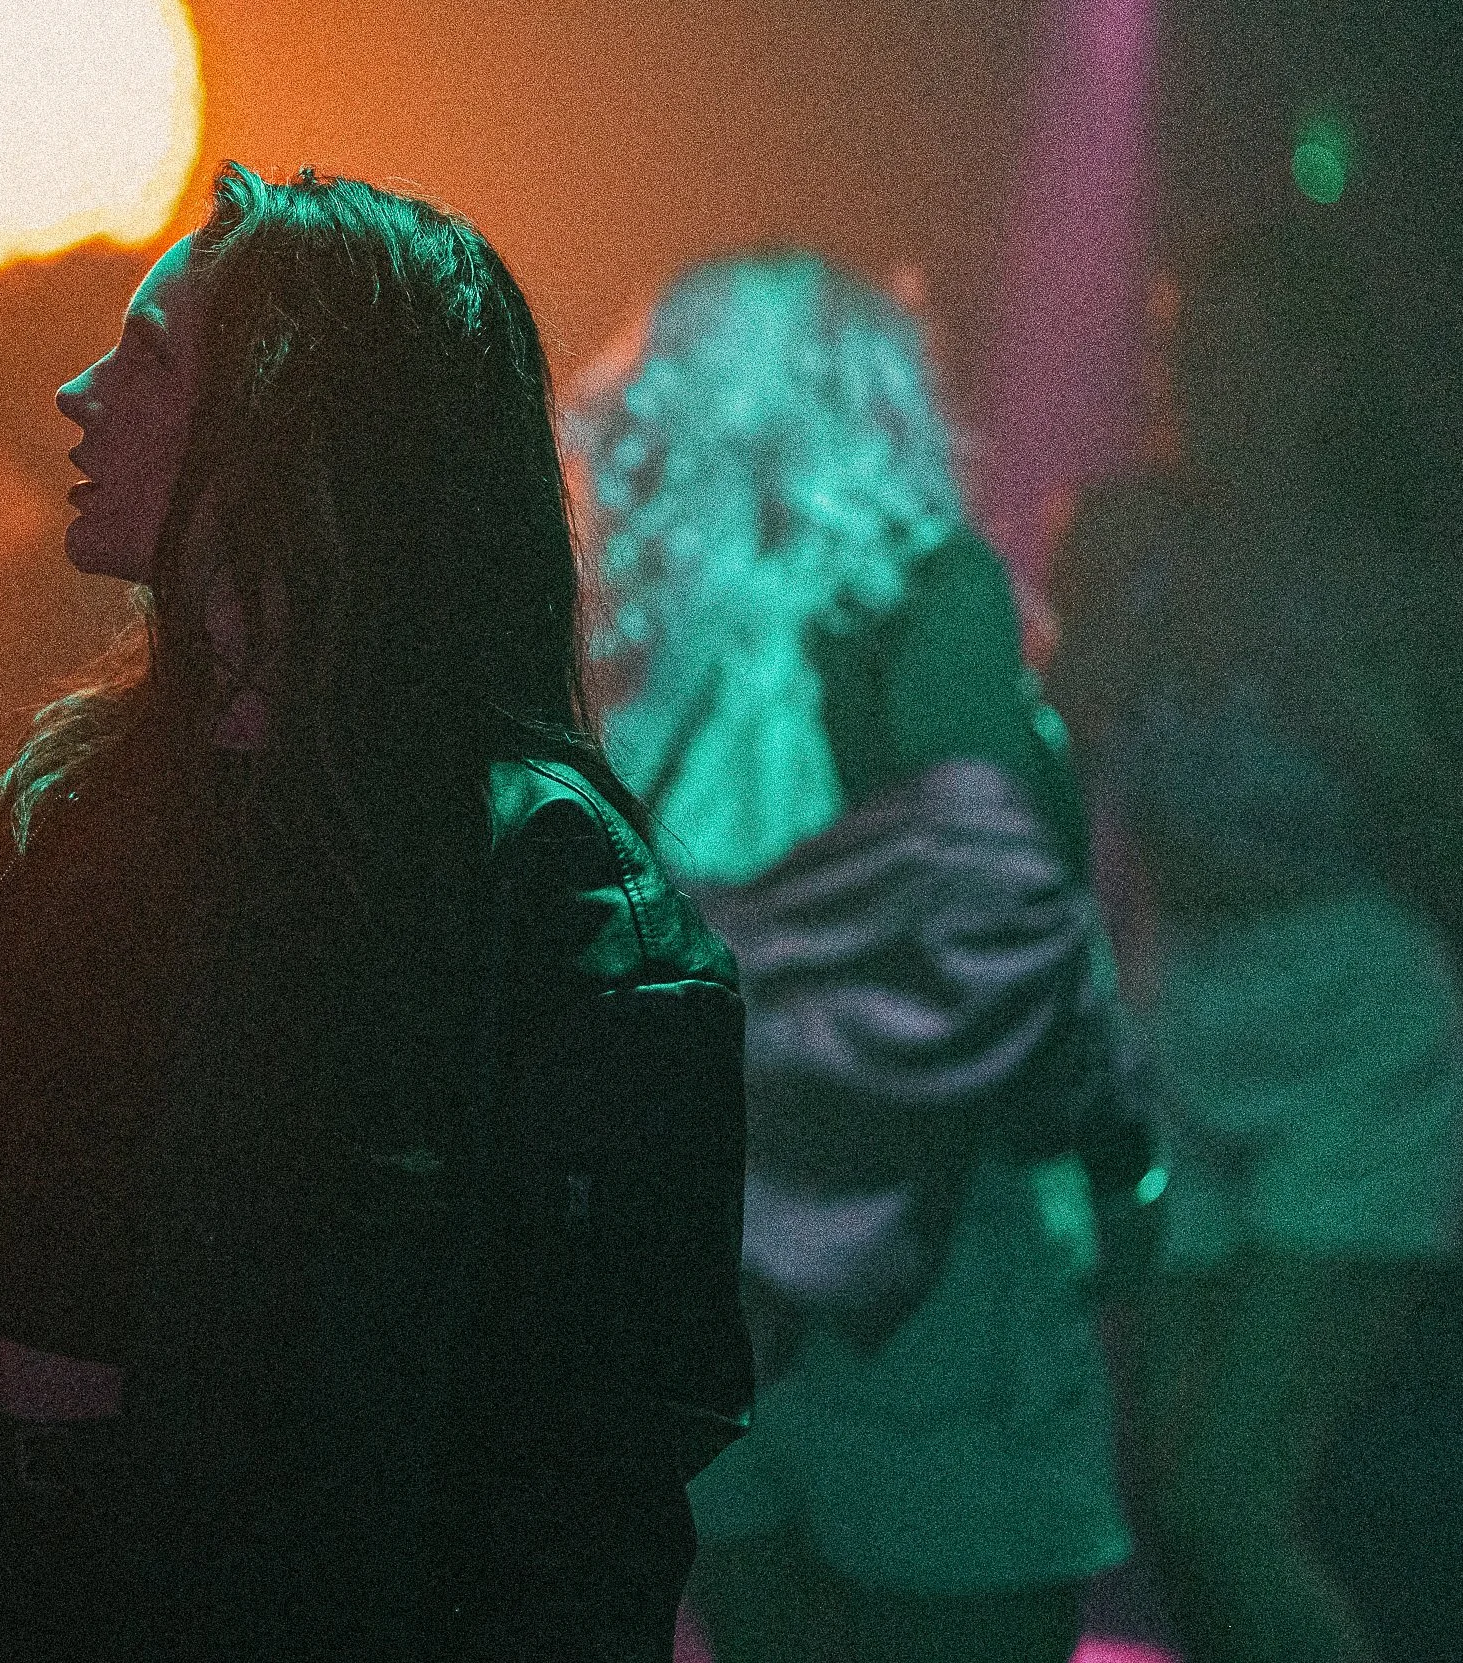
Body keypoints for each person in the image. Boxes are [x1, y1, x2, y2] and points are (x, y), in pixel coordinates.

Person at [0, 164, 755, 1663]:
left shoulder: (541, 883)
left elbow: (594, 1457)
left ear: (296, 424)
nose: (74, 396)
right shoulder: (81, 802)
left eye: (143, 361)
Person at [572, 249, 1145, 1662]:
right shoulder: (924, 593)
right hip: (916, 1246)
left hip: (689, 1263)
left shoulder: (616, 630)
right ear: (874, 393)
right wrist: (1117, 1156)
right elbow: (1005, 911)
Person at [1049, 227, 1463, 1663]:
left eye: (1226, 343)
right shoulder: (1128, 549)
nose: (1188, 371)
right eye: (1170, 343)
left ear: (1317, 375)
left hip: (1357, 1029)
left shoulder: (1398, 589)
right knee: (1171, 1493)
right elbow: (1035, 772)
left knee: (1223, 1498)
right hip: (1177, 1009)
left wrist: (1370, 741)